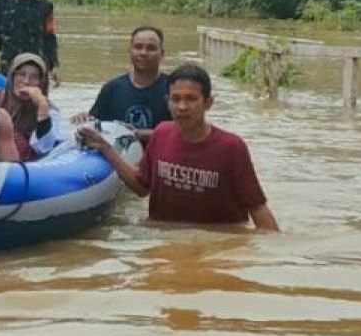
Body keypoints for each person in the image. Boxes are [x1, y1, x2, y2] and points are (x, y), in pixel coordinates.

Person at [78, 63, 279, 231]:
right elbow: (141, 187)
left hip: (215, 243)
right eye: (176, 99)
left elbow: (257, 207)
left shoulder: (231, 147)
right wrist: (106, 149)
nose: (182, 107)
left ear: (208, 103)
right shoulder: (161, 134)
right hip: (165, 236)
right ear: (168, 102)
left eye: (191, 99)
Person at [72, 26, 170, 143]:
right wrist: (84, 119)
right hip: (118, 156)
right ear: (130, 51)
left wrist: (140, 134)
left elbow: (186, 132)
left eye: (151, 48)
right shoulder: (112, 88)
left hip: (161, 157)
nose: (143, 53)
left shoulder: (173, 89)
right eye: (138, 47)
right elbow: (97, 125)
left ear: (162, 53)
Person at [0, 53, 62, 162]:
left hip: (28, 168)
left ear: (41, 82)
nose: (26, 81)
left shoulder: (50, 110)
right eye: (21, 74)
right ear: (12, 77)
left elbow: (44, 148)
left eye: (34, 77)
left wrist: (42, 107)